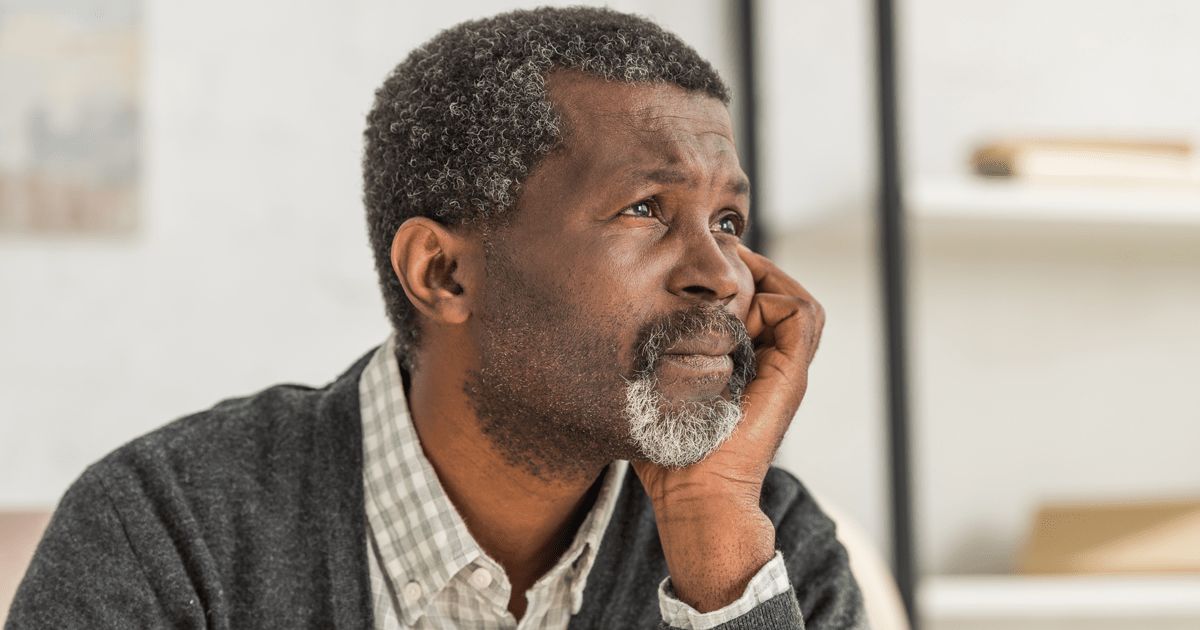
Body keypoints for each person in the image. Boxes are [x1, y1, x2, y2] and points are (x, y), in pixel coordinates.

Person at [6, 7, 866, 629]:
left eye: (727, 224)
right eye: (645, 209)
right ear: (443, 272)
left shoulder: (764, 546)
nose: (722, 276)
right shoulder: (170, 531)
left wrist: (718, 561)